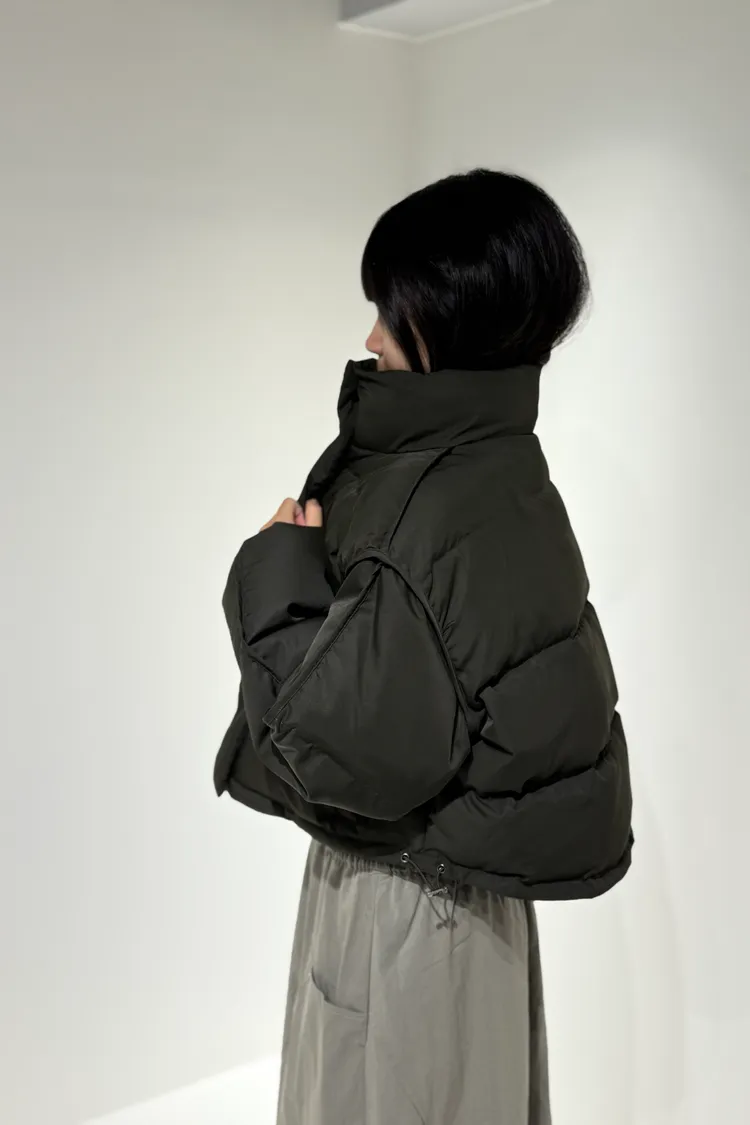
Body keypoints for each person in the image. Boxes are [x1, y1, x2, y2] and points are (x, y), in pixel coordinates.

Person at [215, 168, 633, 1125]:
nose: (370, 339)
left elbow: (352, 758)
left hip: (404, 902)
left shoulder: (427, 498)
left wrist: (275, 582)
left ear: (451, 316)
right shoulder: (503, 462)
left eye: (390, 311)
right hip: (471, 897)